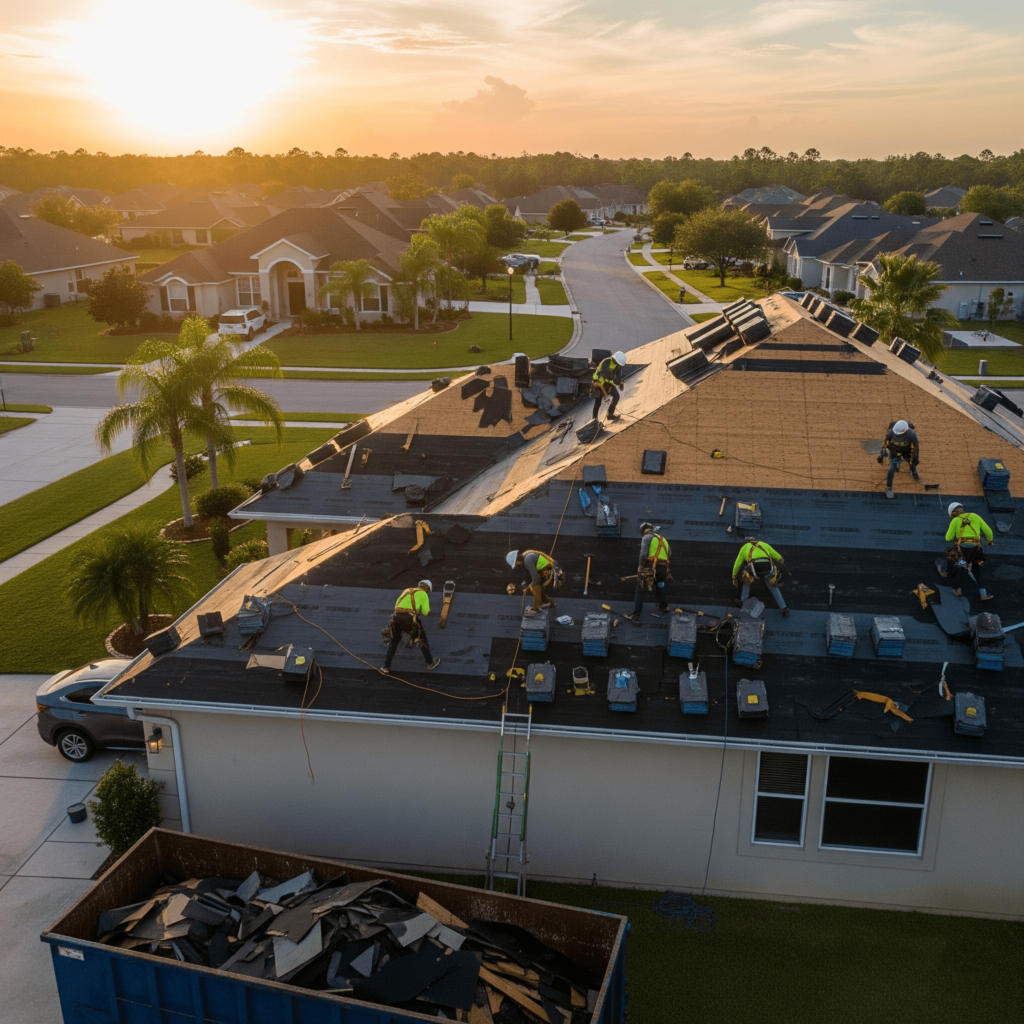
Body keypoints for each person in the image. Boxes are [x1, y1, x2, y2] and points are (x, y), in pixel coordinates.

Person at [380, 580, 441, 674]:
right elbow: (425, 612)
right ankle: (430, 663)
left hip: (396, 617)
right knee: (422, 639)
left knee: (394, 642)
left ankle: (385, 667)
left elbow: (397, 604)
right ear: (428, 589)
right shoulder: (424, 594)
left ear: (419, 585)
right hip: (409, 619)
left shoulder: (407, 590)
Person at [942, 502, 995, 601]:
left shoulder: (955, 520)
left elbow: (948, 538)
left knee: (954, 560)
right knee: (976, 570)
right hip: (975, 548)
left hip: (962, 548)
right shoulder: (975, 516)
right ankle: (983, 594)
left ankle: (949, 577)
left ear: (953, 513)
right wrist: (990, 541)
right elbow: (988, 531)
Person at [732, 537, 790, 617]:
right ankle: (784, 608)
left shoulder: (745, 547)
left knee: (746, 580)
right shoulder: (764, 544)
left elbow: (737, 564)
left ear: (746, 542)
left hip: (754, 570)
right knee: (773, 587)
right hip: (767, 569)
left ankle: (743, 601)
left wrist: (734, 577)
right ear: (756, 540)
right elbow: (779, 558)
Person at [625, 522, 671, 621]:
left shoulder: (646, 537)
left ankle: (636, 615)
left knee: (640, 588)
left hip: (651, 566)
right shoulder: (663, 539)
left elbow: (643, 555)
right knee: (659, 585)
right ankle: (664, 607)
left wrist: (640, 567)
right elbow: (669, 554)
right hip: (663, 568)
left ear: (643, 531)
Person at [878, 419, 920, 498]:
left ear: (905, 431)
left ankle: (913, 469)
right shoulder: (891, 432)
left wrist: (912, 457)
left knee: (915, 460)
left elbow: (916, 447)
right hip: (895, 450)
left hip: (906, 450)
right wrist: (882, 453)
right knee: (892, 468)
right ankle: (889, 488)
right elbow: (885, 442)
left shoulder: (912, 434)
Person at [591, 350, 627, 422]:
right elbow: (604, 376)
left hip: (608, 383)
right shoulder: (606, 362)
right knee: (598, 402)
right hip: (598, 383)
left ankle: (610, 414)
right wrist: (612, 383)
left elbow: (618, 379)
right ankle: (594, 419)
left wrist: (619, 382)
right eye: (617, 362)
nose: (617, 364)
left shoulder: (617, 366)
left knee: (616, 396)